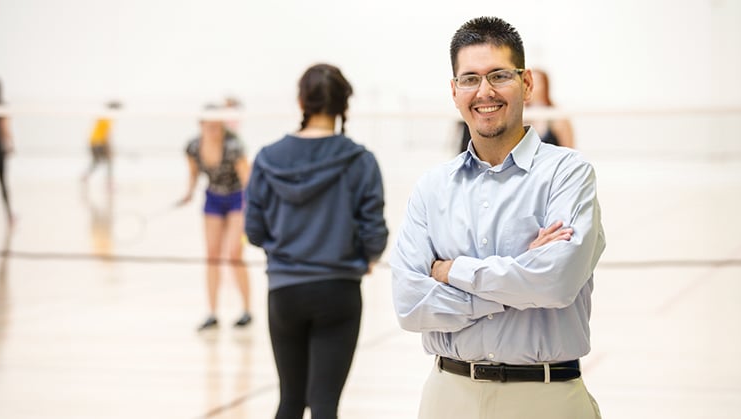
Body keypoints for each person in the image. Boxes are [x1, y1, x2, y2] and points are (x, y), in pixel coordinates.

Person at [390, 16, 605, 419]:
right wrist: (522, 281)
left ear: (526, 84)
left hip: (547, 399)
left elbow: (556, 283)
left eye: (498, 76)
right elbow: (410, 305)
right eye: (469, 79)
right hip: (448, 397)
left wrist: (452, 271)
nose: (484, 91)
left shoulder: (569, 173)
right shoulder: (432, 188)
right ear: (454, 92)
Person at [244, 63, 388, 419]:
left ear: (301, 102)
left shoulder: (267, 158)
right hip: (338, 291)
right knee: (324, 404)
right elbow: (374, 229)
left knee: (290, 401)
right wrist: (368, 255)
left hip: (285, 292)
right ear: (344, 106)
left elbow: (254, 229)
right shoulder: (361, 160)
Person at [180, 104, 252, 331]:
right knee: (211, 256)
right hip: (213, 199)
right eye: (209, 125)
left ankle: (246, 310)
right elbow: (193, 173)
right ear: (201, 125)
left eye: (217, 125)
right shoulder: (193, 147)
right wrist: (189, 193)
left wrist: (252, 207)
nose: (213, 129)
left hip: (237, 199)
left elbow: (247, 179)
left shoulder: (234, 146)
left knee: (234, 254)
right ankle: (212, 313)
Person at [524, 68, 575, 148]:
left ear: (545, 86)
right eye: (527, 83)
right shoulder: (521, 116)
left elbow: (570, 149)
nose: (531, 87)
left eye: (536, 83)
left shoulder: (557, 116)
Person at [0, 79, 14, 225]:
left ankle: (10, 216)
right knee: (2, 182)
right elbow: (4, 128)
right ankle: (9, 216)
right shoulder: (1, 105)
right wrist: (11, 144)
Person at [81, 100, 121, 187]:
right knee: (108, 161)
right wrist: (108, 147)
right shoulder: (108, 119)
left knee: (97, 161)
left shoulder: (102, 117)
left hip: (93, 142)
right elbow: (106, 135)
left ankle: (86, 177)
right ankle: (109, 182)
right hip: (98, 143)